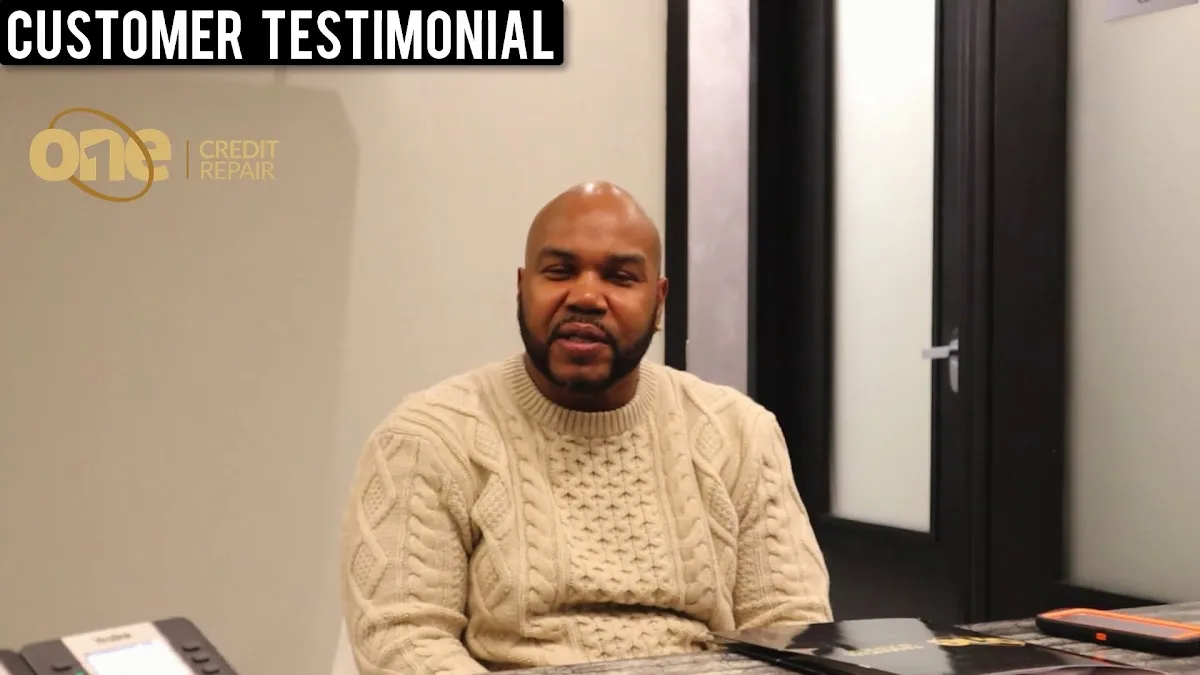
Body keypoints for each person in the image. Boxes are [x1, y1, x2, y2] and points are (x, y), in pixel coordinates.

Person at [339, 181, 832, 674]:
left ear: (659, 300)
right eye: (560, 272)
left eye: (620, 277)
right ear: (522, 287)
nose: (587, 297)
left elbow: (792, 631)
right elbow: (402, 640)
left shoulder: (739, 433)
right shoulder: (429, 437)